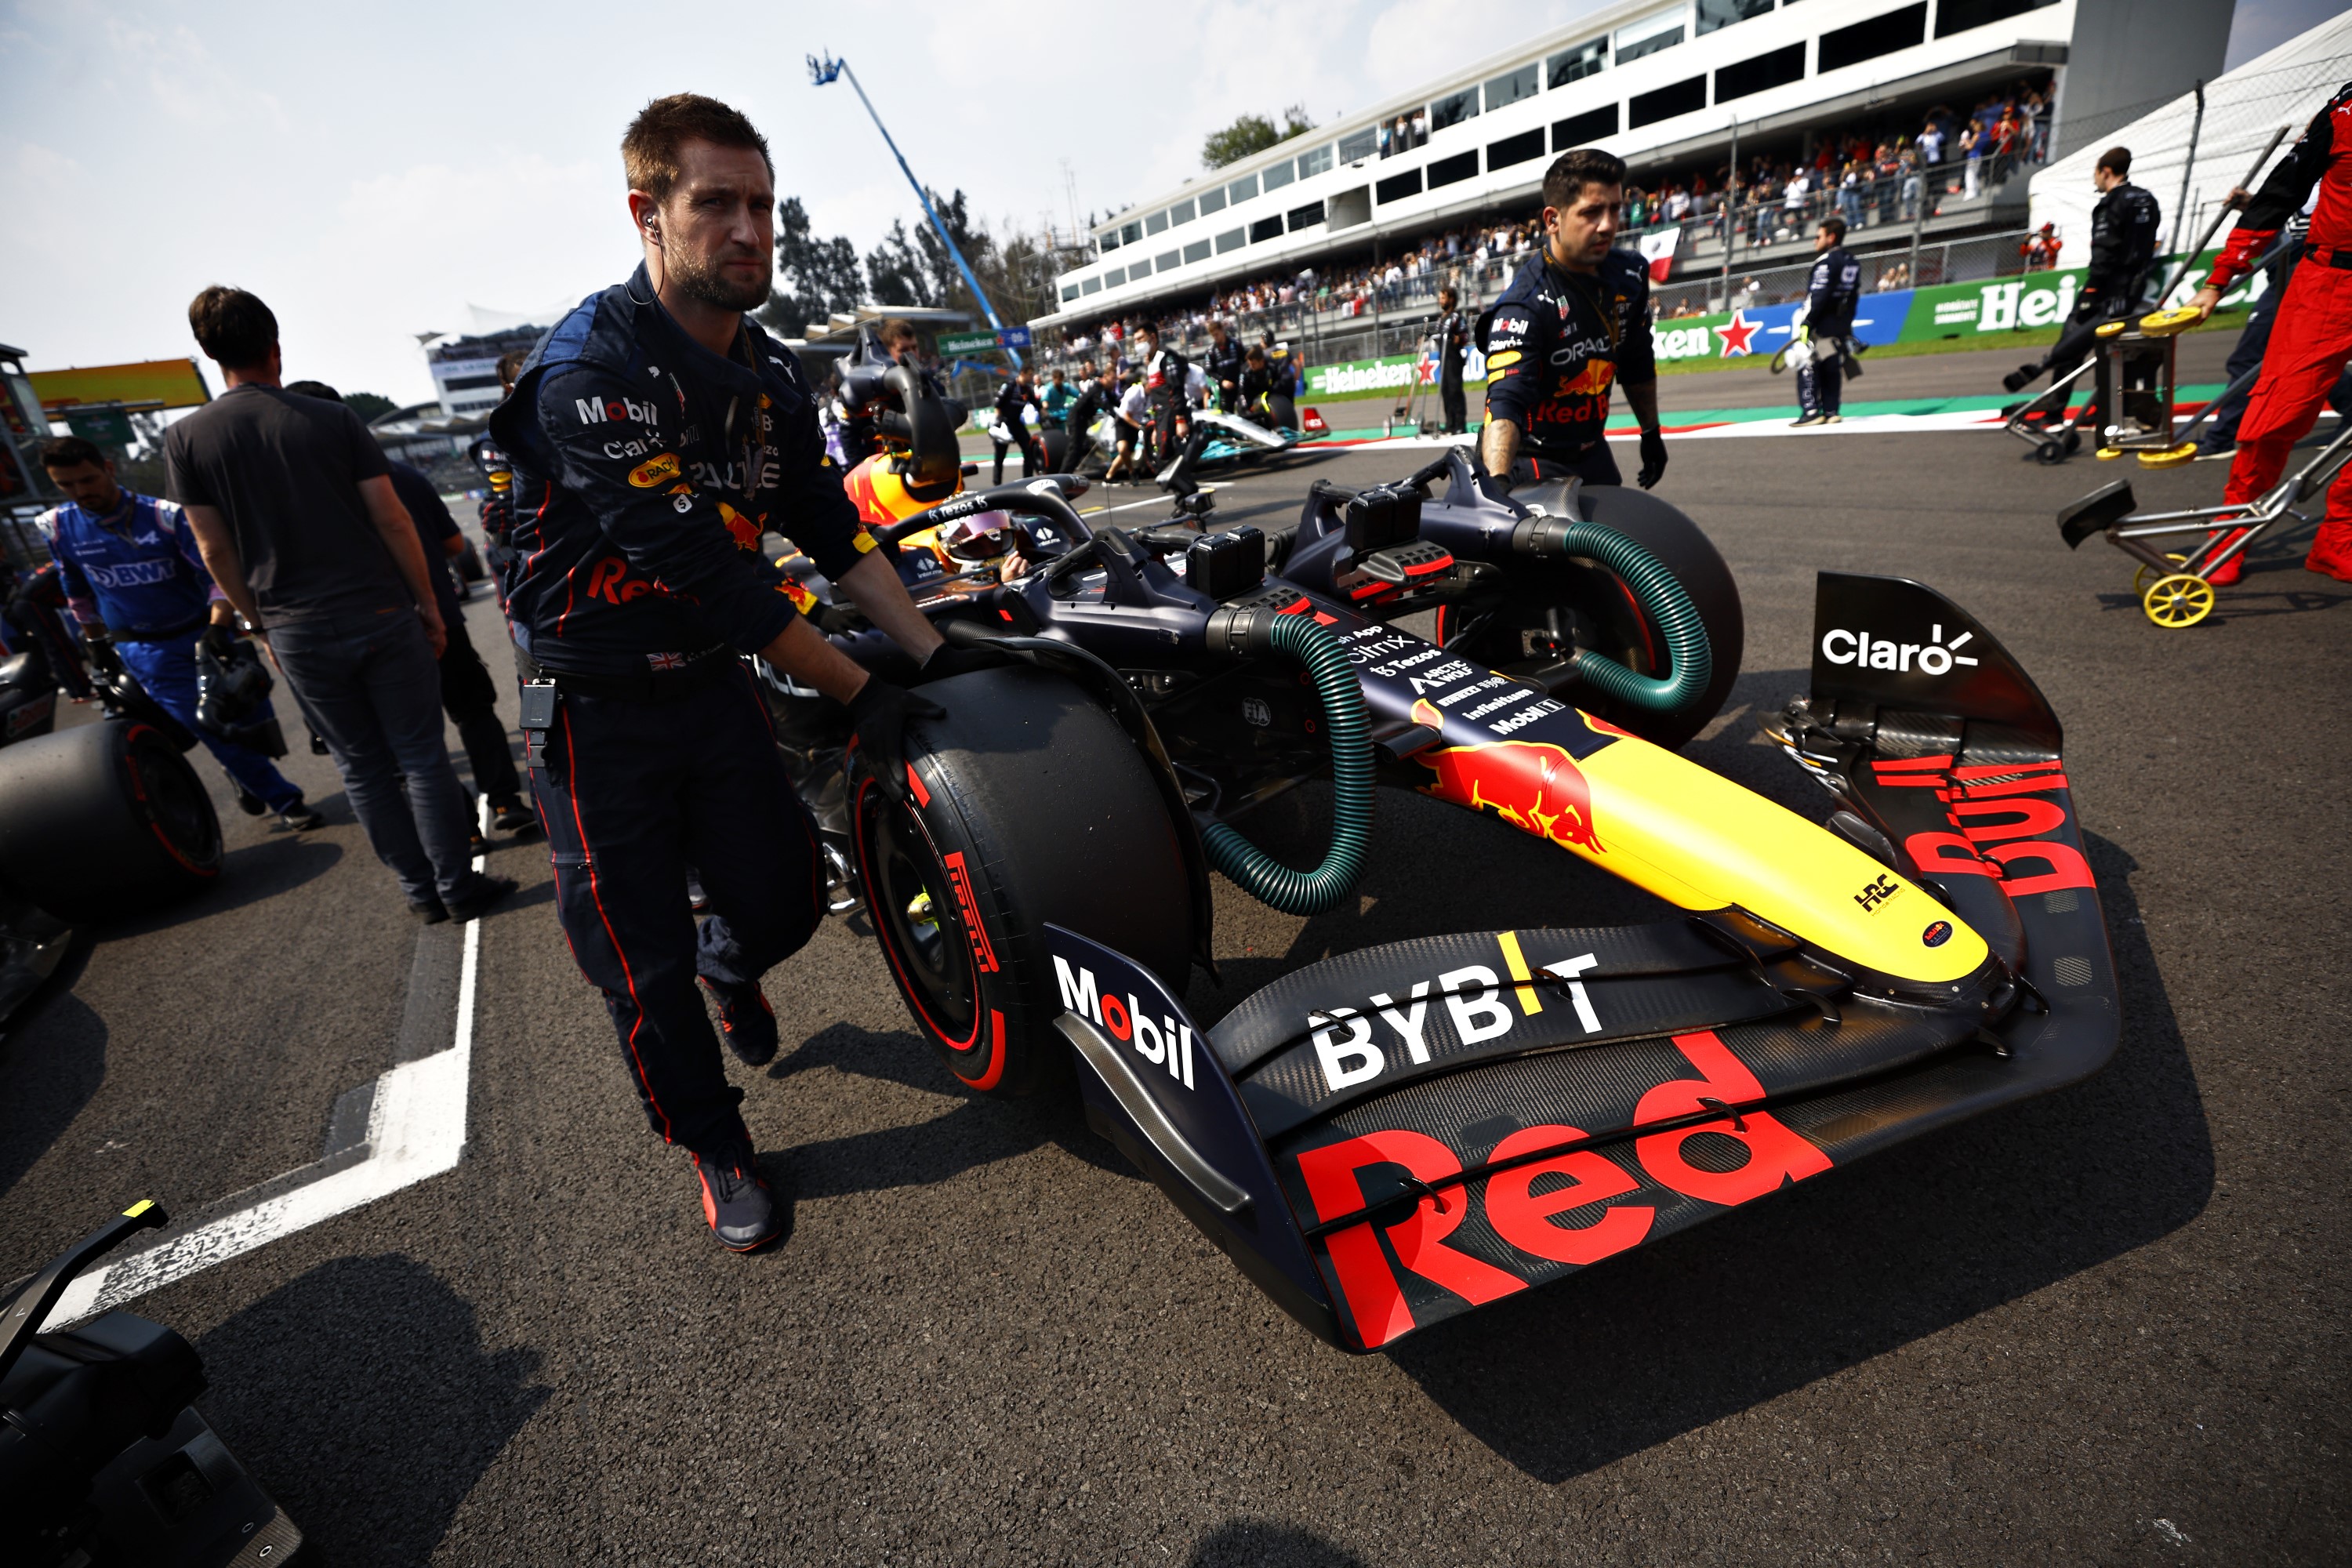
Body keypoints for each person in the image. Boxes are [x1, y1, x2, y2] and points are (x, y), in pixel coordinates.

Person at [489, 95, 967, 1249]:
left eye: (764, 205)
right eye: (718, 205)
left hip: (710, 686)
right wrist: (868, 694)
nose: (751, 229)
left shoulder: (772, 372)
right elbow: (718, 576)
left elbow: (830, 525)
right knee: (638, 974)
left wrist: (934, 653)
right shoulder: (586, 371)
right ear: (648, 214)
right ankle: (716, 1145)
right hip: (594, 719)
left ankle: (732, 960)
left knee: (791, 900)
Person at [166, 287, 511, 925]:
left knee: (363, 767)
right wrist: (428, 605)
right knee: (422, 756)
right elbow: (394, 521)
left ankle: (418, 891)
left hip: (294, 625)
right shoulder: (332, 420)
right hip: (379, 611)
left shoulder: (186, 438)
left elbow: (214, 551)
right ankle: (457, 884)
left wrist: (259, 620)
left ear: (210, 354)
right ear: (276, 345)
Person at [285, 381, 536, 840]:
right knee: (473, 713)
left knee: (413, 742)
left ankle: (462, 828)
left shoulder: (298, 496)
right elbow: (453, 544)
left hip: (369, 626)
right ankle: (505, 800)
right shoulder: (401, 477)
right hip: (436, 613)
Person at [36, 435, 320, 832]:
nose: (80, 492)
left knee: (252, 717)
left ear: (109, 469)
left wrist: (219, 629)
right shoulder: (57, 527)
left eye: (87, 480)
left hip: (208, 635)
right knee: (209, 725)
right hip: (146, 650)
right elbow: (76, 592)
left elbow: (217, 578)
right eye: (66, 485)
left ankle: (245, 772)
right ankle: (285, 798)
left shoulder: (166, 517)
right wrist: (96, 645)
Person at [2187, 82, 2352, 583]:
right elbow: (2281, 193)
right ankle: (2231, 535)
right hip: (2328, 281)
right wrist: (2220, 278)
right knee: (2278, 413)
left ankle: (2338, 540)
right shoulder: (2344, 111)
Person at [1479, 147, 1668, 492]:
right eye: (1592, 212)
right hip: (1529, 458)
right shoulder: (1523, 305)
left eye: (1614, 209)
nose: (1609, 224)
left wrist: (1651, 432)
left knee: (1623, 541)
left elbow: (1637, 362)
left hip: (1592, 450)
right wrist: (1496, 487)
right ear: (1553, 219)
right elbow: (1505, 403)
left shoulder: (1631, 274)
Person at [2002, 147, 2161, 404]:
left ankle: (2055, 405)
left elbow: (2104, 254)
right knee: (2115, 351)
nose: (2094, 179)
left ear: (2106, 171)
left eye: (2096, 173)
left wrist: (2090, 293)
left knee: (2073, 339)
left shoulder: (2111, 203)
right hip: (2135, 290)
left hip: (2107, 289)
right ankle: (2106, 407)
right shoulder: (2147, 199)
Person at [1792, 218, 1862, 428]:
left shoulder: (1826, 261)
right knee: (1832, 364)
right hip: (1839, 322)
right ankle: (1832, 411)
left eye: (1818, 236)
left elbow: (1819, 296)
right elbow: (1853, 297)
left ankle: (1812, 412)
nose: (1815, 241)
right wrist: (1847, 326)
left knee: (1806, 362)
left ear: (1830, 238)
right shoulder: (1852, 261)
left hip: (1821, 323)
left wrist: (1807, 323)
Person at [1135, 321, 1189, 471]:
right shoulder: (1151, 362)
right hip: (1161, 416)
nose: (1137, 343)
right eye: (1135, 340)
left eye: (1140, 338)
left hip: (1172, 414)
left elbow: (1176, 388)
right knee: (1163, 459)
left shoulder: (1166, 356)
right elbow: (1157, 396)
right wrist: (1157, 428)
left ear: (1152, 338)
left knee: (1165, 459)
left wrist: (1180, 419)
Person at [989, 368, 1044, 485]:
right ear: (1022, 374)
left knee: (1029, 450)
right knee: (1000, 456)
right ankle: (997, 484)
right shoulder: (1009, 386)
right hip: (1004, 423)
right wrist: (998, 423)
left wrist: (1046, 414)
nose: (1031, 377)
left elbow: (1038, 405)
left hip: (1017, 423)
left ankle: (1027, 480)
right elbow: (998, 405)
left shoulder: (1027, 389)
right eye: (1030, 374)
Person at [1432, 287, 1469, 435]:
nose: (1441, 301)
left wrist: (1458, 339)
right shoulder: (1440, 319)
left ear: (1451, 299)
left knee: (1455, 391)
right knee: (1445, 391)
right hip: (1443, 358)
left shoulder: (1457, 318)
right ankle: (1450, 424)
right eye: (1440, 298)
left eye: (1443, 298)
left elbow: (1465, 335)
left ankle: (1460, 424)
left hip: (1454, 359)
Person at [1105, 376, 1152, 483]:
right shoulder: (1134, 392)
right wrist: (1140, 427)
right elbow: (1126, 416)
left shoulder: (1151, 395)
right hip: (1124, 422)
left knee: (1126, 453)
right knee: (1122, 449)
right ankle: (1132, 471)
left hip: (1135, 423)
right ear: (1147, 385)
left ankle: (1109, 476)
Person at [1201, 318, 1243, 414]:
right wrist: (1222, 381)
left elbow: (1245, 362)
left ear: (1222, 330)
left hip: (1241, 386)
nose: (1215, 337)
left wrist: (1242, 377)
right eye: (1213, 335)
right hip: (1225, 389)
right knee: (1226, 416)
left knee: (1244, 411)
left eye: (1217, 334)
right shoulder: (1211, 351)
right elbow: (1209, 372)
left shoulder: (1236, 344)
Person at [1040, 366, 1077, 430]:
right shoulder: (1047, 389)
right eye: (1059, 379)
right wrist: (1045, 406)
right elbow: (1044, 400)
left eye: (1062, 379)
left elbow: (1077, 394)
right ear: (1053, 378)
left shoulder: (1065, 387)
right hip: (1051, 415)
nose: (1061, 382)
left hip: (1062, 414)